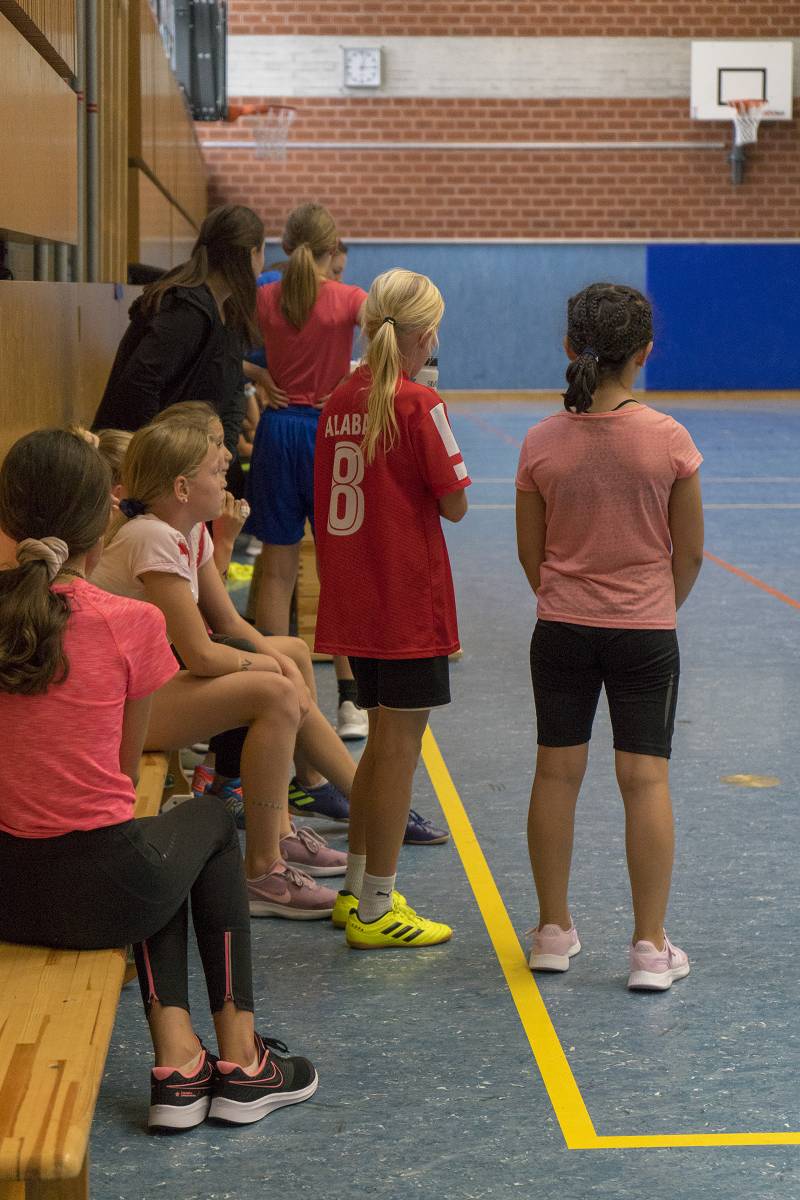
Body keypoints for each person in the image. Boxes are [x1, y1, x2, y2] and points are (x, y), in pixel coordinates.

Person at [0, 429, 318, 1130]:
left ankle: (180, 1064)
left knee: (154, 848)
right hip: (94, 899)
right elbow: (119, 778)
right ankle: (241, 1058)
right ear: (101, 525)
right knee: (205, 822)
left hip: (8, 892)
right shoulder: (128, 621)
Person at [515, 282, 704, 991]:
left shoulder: (541, 441)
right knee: (645, 779)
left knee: (555, 773)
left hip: (561, 628)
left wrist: (568, 599)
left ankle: (552, 932)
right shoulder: (669, 440)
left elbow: (530, 554)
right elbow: (689, 553)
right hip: (645, 633)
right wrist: (653, 606)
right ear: (644, 353)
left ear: (570, 347)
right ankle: (650, 949)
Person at [91, 419, 350, 917]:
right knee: (274, 691)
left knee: (290, 655)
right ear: (182, 488)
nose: (227, 477)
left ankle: (298, 826)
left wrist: (276, 661)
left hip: (143, 688)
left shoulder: (187, 530)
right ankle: (265, 871)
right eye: (215, 470)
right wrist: (269, 667)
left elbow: (226, 622)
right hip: (116, 707)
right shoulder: (152, 536)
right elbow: (202, 653)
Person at [314, 268, 471, 950]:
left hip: (355, 597)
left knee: (380, 747)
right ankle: (378, 907)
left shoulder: (337, 400)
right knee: (399, 751)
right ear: (426, 335)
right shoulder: (418, 403)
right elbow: (456, 504)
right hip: (406, 601)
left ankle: (355, 891)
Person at [242, 203, 369, 743]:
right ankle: (351, 700)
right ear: (331, 249)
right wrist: (349, 384)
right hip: (327, 433)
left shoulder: (264, 295)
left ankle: (276, 687)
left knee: (277, 570)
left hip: (275, 433)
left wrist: (259, 375)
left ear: (288, 245)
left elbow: (223, 348)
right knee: (339, 569)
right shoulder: (350, 298)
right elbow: (395, 340)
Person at [92, 204, 265, 458]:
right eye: (263, 251)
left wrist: (222, 454)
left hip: (190, 462)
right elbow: (139, 385)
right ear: (252, 254)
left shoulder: (230, 308)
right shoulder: (187, 309)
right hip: (145, 463)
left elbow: (233, 389)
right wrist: (161, 458)